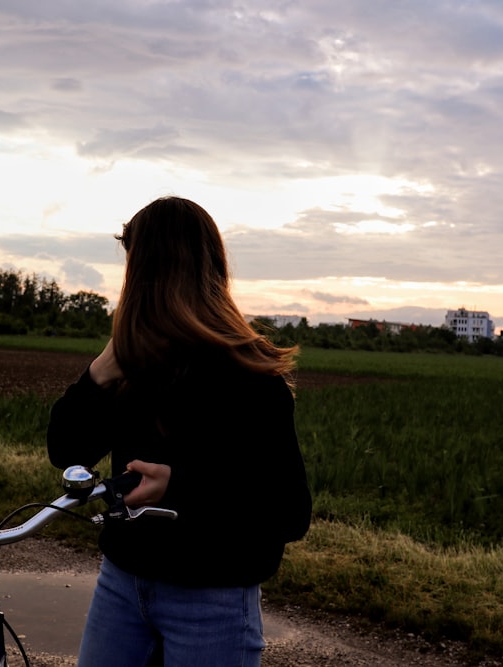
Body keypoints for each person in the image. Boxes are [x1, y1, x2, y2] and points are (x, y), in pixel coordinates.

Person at [45, 196, 312, 666]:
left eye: (135, 262)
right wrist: (99, 373)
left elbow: (288, 512)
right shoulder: (134, 365)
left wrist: (180, 488)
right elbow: (66, 450)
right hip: (121, 585)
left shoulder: (250, 377)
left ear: (151, 267)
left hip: (212, 600)